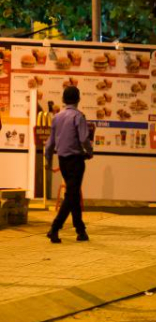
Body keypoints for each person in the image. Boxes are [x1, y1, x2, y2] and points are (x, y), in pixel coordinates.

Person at [44, 86, 93, 244]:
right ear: (78, 99)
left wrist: (48, 160)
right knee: (71, 195)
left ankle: (81, 231)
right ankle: (55, 228)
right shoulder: (78, 116)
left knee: (74, 194)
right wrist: (90, 151)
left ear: (64, 100)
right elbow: (84, 139)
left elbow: (50, 143)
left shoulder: (57, 117)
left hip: (63, 161)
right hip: (76, 161)